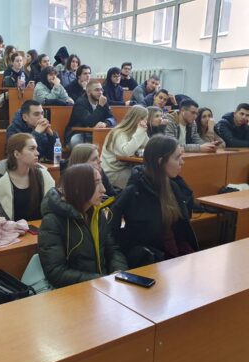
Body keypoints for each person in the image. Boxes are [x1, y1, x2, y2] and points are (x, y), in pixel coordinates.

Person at [112, 135, 198, 269]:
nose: (182, 162)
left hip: (175, 256)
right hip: (151, 262)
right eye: (177, 158)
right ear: (160, 162)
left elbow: (181, 231)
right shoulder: (133, 192)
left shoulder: (174, 186)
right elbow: (113, 235)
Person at [38, 163, 127, 288]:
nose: (103, 189)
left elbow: (112, 249)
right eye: (96, 183)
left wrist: (118, 272)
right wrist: (101, 280)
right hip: (76, 291)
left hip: (102, 286)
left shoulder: (97, 212)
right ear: (78, 188)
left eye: (101, 182)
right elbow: (56, 272)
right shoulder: (53, 221)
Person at [0, 133, 55, 221]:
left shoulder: (43, 176)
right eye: (32, 149)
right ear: (17, 154)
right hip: (5, 229)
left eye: (36, 148)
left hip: (37, 228)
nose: (37, 153)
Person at [101, 105, 149, 189]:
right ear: (137, 119)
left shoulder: (138, 132)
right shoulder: (119, 133)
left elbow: (149, 146)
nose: (146, 123)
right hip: (113, 172)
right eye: (145, 119)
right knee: (141, 182)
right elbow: (126, 152)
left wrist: (143, 133)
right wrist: (140, 131)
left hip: (127, 168)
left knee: (149, 178)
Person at [65, 81, 116, 148]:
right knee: (76, 140)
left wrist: (106, 123)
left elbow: (113, 119)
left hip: (96, 133)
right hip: (79, 133)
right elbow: (90, 122)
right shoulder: (80, 103)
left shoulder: (103, 102)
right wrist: (100, 106)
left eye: (101, 90)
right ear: (88, 92)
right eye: (97, 90)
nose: (100, 92)